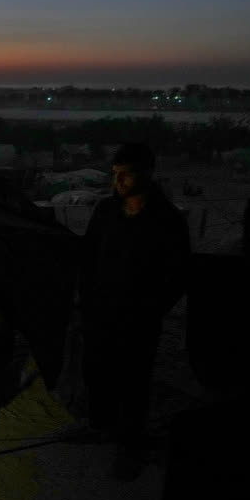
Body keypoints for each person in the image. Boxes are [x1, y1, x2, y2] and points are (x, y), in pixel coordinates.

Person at [77, 142, 190, 481]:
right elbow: (88, 259)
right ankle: (101, 426)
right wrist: (87, 302)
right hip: (101, 313)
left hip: (138, 320)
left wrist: (151, 309)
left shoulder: (167, 220)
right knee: (97, 371)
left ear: (147, 173)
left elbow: (180, 273)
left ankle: (130, 444)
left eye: (127, 173)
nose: (120, 180)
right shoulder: (106, 213)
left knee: (134, 380)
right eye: (116, 174)